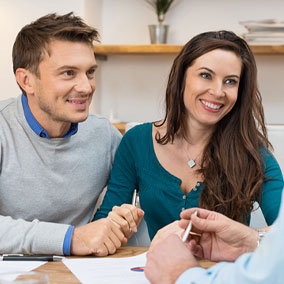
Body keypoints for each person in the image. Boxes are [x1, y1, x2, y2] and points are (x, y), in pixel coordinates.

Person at [94, 30, 283, 241]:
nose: (218, 91)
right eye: (205, 75)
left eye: (230, 81)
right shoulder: (136, 141)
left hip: (226, 273)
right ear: (182, 76)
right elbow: (102, 226)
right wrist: (115, 224)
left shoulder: (252, 153)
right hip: (158, 272)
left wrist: (248, 237)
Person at [0, 12, 126, 256]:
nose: (86, 87)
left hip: (80, 273)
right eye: (68, 73)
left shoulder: (104, 135)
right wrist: (71, 238)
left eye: (90, 72)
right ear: (26, 81)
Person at [144, 192, 284, 284]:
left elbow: (266, 277)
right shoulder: (136, 148)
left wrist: (182, 275)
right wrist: (252, 241)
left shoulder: (256, 156)